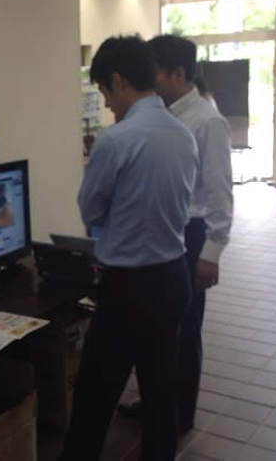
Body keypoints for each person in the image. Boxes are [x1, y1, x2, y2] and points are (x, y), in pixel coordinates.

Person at [60, 35, 198, 461]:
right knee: (160, 389)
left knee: (94, 395)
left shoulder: (116, 140)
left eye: (104, 91)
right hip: (173, 277)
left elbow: (91, 209)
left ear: (119, 81)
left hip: (128, 288)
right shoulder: (183, 134)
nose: (106, 103)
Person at [117, 35, 234, 437]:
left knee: (184, 327)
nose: (147, 81)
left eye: (155, 73)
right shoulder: (157, 116)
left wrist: (211, 252)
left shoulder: (206, 121)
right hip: (156, 232)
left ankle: (180, 412)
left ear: (179, 74)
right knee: (156, 325)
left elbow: (219, 193)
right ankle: (155, 401)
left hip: (190, 234)